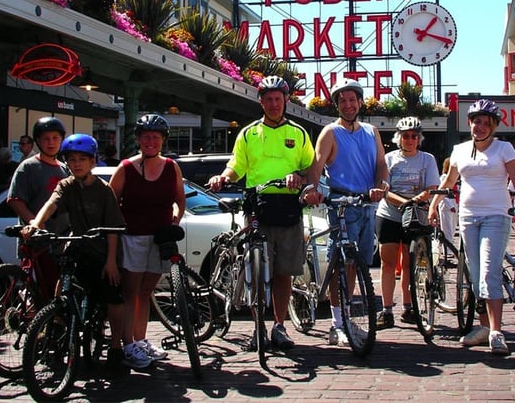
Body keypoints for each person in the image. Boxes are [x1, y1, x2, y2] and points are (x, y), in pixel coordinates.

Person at [208, 75, 315, 351]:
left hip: (289, 209)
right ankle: (258, 327)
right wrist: (223, 177)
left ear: (286, 100)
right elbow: (236, 166)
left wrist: (299, 177)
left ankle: (279, 326)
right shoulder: (248, 134)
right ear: (260, 102)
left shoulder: (299, 133)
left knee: (284, 273)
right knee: (256, 272)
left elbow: (310, 169)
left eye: (278, 99)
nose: (273, 103)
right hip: (258, 206)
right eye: (268, 99)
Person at [21, 134, 127, 377]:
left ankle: (116, 347)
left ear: (92, 162)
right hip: (78, 245)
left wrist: (111, 262)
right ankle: (58, 325)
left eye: (82, 159)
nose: (76, 164)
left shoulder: (103, 190)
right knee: (63, 282)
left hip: (101, 251)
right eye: (71, 160)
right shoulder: (66, 185)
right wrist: (36, 224)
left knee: (112, 297)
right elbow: (51, 204)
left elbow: (113, 229)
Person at [428, 99, 515, 355]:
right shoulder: (459, 150)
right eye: (476, 122)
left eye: (486, 123)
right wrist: (434, 204)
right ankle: (483, 328)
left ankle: (496, 332)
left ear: (493, 126)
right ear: (469, 123)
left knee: (488, 272)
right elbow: (449, 181)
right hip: (468, 217)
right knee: (474, 274)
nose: (480, 127)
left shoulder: (504, 148)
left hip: (496, 215)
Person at [303, 78, 388, 347]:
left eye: (353, 100)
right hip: (340, 203)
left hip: (366, 204)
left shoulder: (371, 131)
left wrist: (381, 185)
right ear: (337, 104)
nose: (348, 105)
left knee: (357, 265)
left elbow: (381, 164)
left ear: (360, 102)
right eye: (342, 100)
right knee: (340, 263)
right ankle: (337, 324)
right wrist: (311, 189)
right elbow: (316, 166)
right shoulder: (330, 132)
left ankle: (346, 317)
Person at [109, 113, 185, 369]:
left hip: (159, 238)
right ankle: (127, 344)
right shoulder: (126, 168)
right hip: (133, 237)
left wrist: (173, 224)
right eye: (146, 137)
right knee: (130, 292)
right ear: (138, 140)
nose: (150, 142)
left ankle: (140, 340)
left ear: (163, 140)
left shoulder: (171, 166)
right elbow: (111, 204)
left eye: (155, 137)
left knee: (146, 292)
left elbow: (179, 202)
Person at [374, 117, 440, 330]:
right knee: (388, 262)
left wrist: (415, 202)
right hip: (390, 214)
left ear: (419, 138)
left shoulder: (427, 159)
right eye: (405, 136)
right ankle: (386, 309)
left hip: (415, 216)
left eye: (414, 136)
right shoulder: (389, 158)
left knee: (410, 263)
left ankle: (408, 306)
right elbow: (384, 188)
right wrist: (404, 202)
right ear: (399, 138)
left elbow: (431, 187)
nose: (410, 140)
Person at [7, 117, 71, 296]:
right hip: (37, 241)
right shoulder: (28, 167)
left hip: (61, 240)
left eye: (55, 138)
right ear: (38, 141)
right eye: (46, 138)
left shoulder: (65, 168)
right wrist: (35, 222)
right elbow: (15, 200)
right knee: (41, 292)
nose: (51, 142)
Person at [438, 157, 459, 245]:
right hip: (446, 203)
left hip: (455, 202)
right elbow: (443, 192)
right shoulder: (444, 177)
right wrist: (450, 206)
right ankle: (447, 249)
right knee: (447, 228)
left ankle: (450, 246)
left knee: (453, 227)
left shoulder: (457, 178)